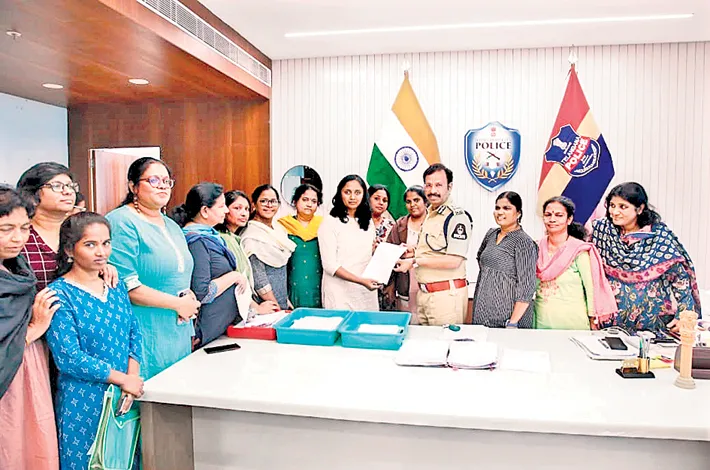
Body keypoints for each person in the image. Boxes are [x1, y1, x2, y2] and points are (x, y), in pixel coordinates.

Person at [46, 212, 144, 470]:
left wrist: (132, 379)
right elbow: (69, 358)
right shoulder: (59, 295)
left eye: (106, 243)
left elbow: (134, 332)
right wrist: (123, 379)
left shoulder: (115, 285)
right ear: (69, 250)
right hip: (83, 401)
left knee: (124, 460)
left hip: (124, 396)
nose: (101, 252)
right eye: (90, 244)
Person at [106, 157, 200, 379]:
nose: (162, 186)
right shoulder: (121, 222)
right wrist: (178, 304)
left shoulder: (172, 225)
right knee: (148, 394)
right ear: (133, 186)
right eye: (154, 180)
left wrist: (188, 297)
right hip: (144, 328)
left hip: (177, 327)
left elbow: (178, 273)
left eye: (166, 181)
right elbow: (125, 285)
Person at [0, 186, 59, 470]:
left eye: (24, 228)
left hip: (27, 366)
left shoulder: (15, 267)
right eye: (6, 229)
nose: (18, 238)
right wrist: (34, 329)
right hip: (8, 376)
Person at [591, 182, 701, 332]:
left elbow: (679, 276)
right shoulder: (602, 230)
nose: (615, 212)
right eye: (612, 205)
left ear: (640, 208)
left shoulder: (658, 235)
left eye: (623, 207)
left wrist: (683, 313)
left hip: (652, 323)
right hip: (610, 322)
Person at [16, 162, 117, 291]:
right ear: (32, 194)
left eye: (70, 186)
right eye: (57, 186)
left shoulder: (79, 230)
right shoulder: (19, 235)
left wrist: (102, 267)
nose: (68, 192)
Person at [170, 183, 248, 348]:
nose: (226, 210)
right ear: (205, 211)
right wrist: (233, 276)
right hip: (204, 332)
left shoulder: (211, 237)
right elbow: (202, 292)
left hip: (219, 330)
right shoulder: (196, 241)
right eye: (221, 206)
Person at [394, 164, 472, 325]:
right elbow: (433, 250)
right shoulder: (431, 214)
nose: (432, 190)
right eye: (428, 185)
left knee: (445, 340)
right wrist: (412, 252)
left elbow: (453, 261)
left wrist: (414, 261)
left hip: (446, 298)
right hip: (424, 295)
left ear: (449, 187)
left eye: (438, 185)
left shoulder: (456, 217)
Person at [534, 196, 617, 330]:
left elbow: (591, 289)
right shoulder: (535, 248)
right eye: (548, 215)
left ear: (569, 219)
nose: (552, 219)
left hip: (573, 323)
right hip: (541, 320)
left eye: (559, 215)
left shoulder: (578, 250)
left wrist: (593, 319)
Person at [471, 191, 537, 328]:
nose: (500, 212)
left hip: (510, 318)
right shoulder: (491, 234)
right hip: (482, 311)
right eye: (497, 208)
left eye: (506, 208)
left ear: (518, 213)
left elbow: (527, 286)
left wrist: (513, 322)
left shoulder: (524, 242)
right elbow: (481, 260)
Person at [318, 175, 380, 310]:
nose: (352, 197)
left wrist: (378, 251)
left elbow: (365, 254)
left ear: (364, 195)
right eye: (347, 192)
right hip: (339, 291)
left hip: (366, 290)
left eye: (357, 192)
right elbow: (330, 265)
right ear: (340, 194)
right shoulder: (330, 222)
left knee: (366, 323)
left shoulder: (367, 221)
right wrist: (360, 281)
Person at [216, 191, 279, 315]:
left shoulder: (235, 237)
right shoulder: (224, 239)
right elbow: (238, 282)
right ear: (225, 209)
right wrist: (257, 308)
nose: (244, 213)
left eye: (246, 209)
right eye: (237, 208)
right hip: (232, 309)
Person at [241, 185, 295, 310]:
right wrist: (276, 307)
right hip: (266, 306)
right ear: (254, 204)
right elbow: (259, 279)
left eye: (273, 201)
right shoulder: (252, 235)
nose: (269, 205)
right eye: (263, 201)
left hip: (282, 300)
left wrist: (285, 301)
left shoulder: (279, 230)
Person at [383, 186, 427, 321]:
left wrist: (414, 252)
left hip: (428, 284)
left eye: (416, 200)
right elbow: (389, 255)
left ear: (425, 201)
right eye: (408, 202)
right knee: (410, 323)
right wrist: (390, 285)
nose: (412, 205)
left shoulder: (434, 223)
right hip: (405, 283)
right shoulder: (400, 225)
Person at [277, 184, 324, 308]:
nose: (309, 204)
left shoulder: (324, 225)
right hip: (294, 281)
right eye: (305, 200)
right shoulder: (282, 225)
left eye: (314, 201)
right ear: (295, 201)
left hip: (319, 282)